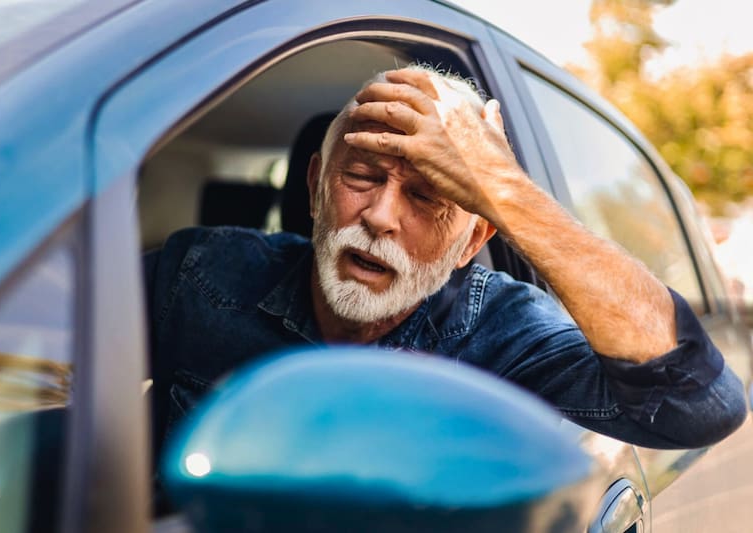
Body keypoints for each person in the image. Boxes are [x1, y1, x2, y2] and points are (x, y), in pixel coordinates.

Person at [144, 66, 746, 464]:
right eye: (360, 176)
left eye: (428, 195)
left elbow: (699, 406)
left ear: (472, 240)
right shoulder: (202, 274)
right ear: (314, 187)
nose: (380, 216)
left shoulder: (506, 333)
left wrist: (506, 190)